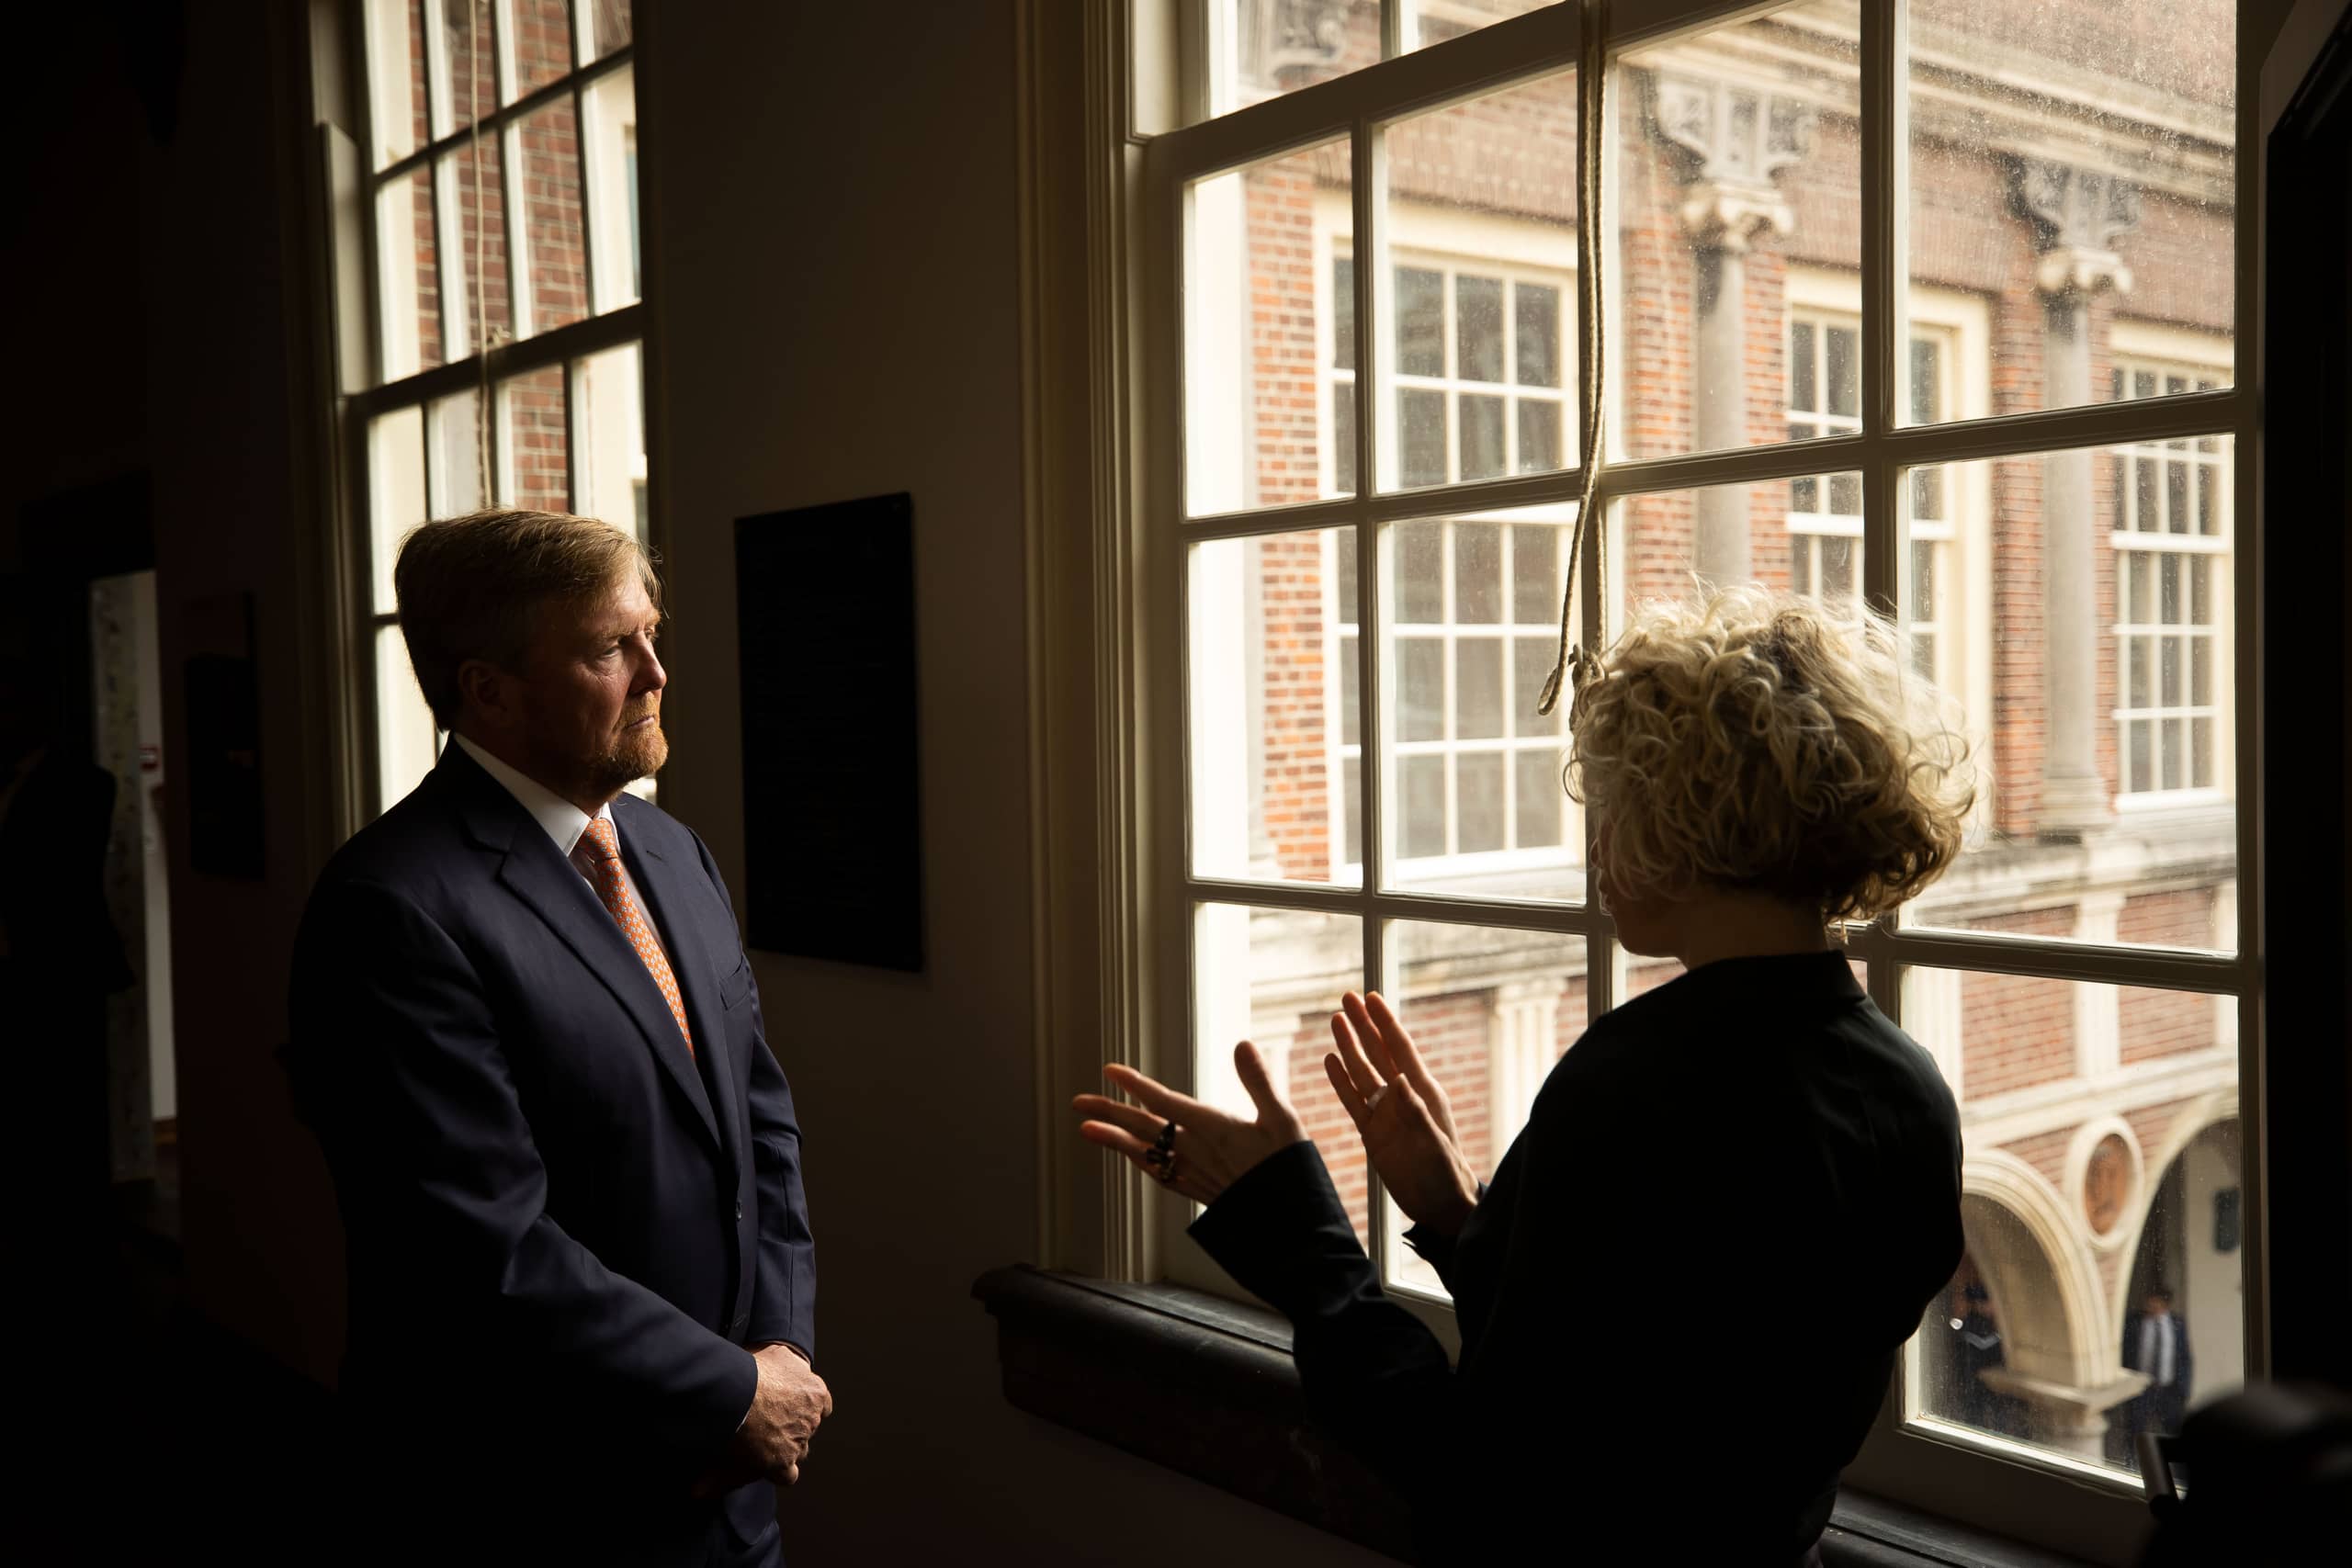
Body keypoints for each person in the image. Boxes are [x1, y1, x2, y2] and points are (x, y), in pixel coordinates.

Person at [1077, 587, 1973, 1565]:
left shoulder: (1638, 1082)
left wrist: (1300, 1239)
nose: (1595, 847)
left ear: (1683, 826)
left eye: (1613, 805)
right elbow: (1670, 1388)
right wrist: (1460, 1214)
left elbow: (1489, 1474)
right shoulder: (1905, 1090)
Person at [287, 510, 826, 1566]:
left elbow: (761, 1124)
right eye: (608, 649)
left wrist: (781, 1358)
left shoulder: (672, 853)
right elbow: (479, 1246)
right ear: (488, 690)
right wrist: (730, 1388)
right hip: (530, 1495)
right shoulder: (392, 907)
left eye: (650, 634)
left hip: (726, 1488)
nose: (657, 672)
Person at [2123, 1286, 2195, 1439]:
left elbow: (2185, 1357)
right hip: (2140, 1389)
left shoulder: (2177, 1323)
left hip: (2169, 1390)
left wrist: (2183, 1390)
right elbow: (2126, 1354)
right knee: (2135, 1431)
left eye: (2156, 1303)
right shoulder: (2134, 1322)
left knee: (2174, 1431)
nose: (2151, 1306)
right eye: (2149, 1302)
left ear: (2165, 1304)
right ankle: (2132, 1462)